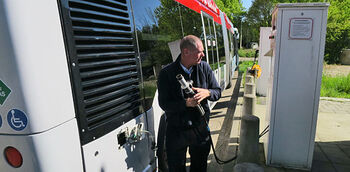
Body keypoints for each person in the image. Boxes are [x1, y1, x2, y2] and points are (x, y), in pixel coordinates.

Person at [157, 35, 221, 172]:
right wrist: (186, 103)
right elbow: (164, 104)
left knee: (199, 167)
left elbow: (217, 92)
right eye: (200, 51)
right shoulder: (166, 73)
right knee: (176, 168)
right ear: (186, 52)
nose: (203, 55)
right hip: (176, 131)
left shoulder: (204, 68)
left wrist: (207, 92)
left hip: (200, 129)